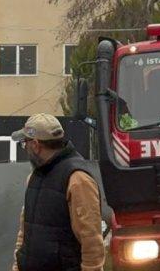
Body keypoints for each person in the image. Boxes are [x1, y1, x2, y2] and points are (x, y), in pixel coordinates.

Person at [11, 113, 105, 271]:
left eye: (24, 143)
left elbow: (91, 242)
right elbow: (25, 231)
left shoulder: (77, 180)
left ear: (35, 145)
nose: (25, 148)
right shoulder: (34, 177)